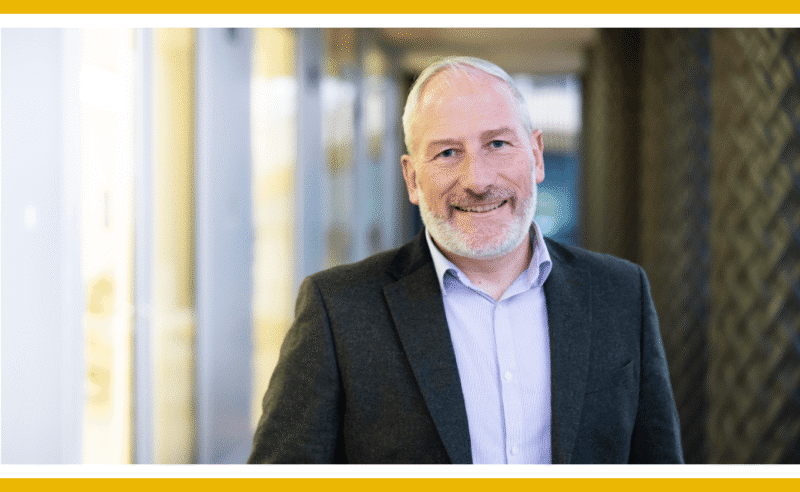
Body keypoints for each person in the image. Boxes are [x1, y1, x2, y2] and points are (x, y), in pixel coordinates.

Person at [248, 56, 684, 464]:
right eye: (447, 153)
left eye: (497, 143)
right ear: (412, 178)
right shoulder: (339, 309)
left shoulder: (620, 293)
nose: (477, 180)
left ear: (535, 156)